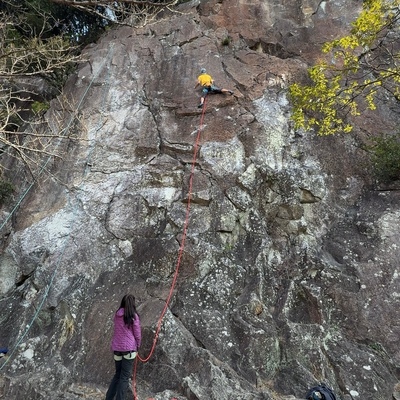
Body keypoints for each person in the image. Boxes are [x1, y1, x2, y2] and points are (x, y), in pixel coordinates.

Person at [105, 294, 142, 400]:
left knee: (117, 375)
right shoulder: (134, 316)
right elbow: (137, 334)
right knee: (124, 377)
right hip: (129, 349)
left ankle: (108, 398)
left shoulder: (117, 315)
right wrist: (138, 346)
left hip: (117, 349)